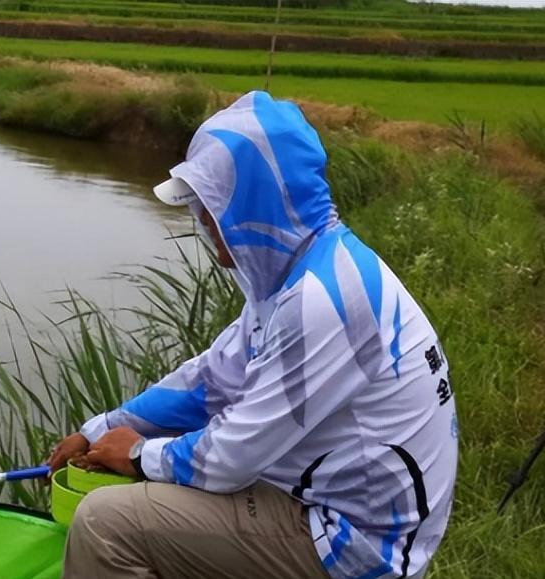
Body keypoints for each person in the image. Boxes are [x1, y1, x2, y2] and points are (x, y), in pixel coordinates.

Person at [49, 91, 457, 579]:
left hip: (356, 544)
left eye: (214, 208)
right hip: (328, 498)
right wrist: (98, 430)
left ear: (258, 204)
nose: (206, 227)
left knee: (105, 523)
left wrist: (136, 453)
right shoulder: (308, 272)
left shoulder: (323, 301)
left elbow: (230, 458)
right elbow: (211, 381)